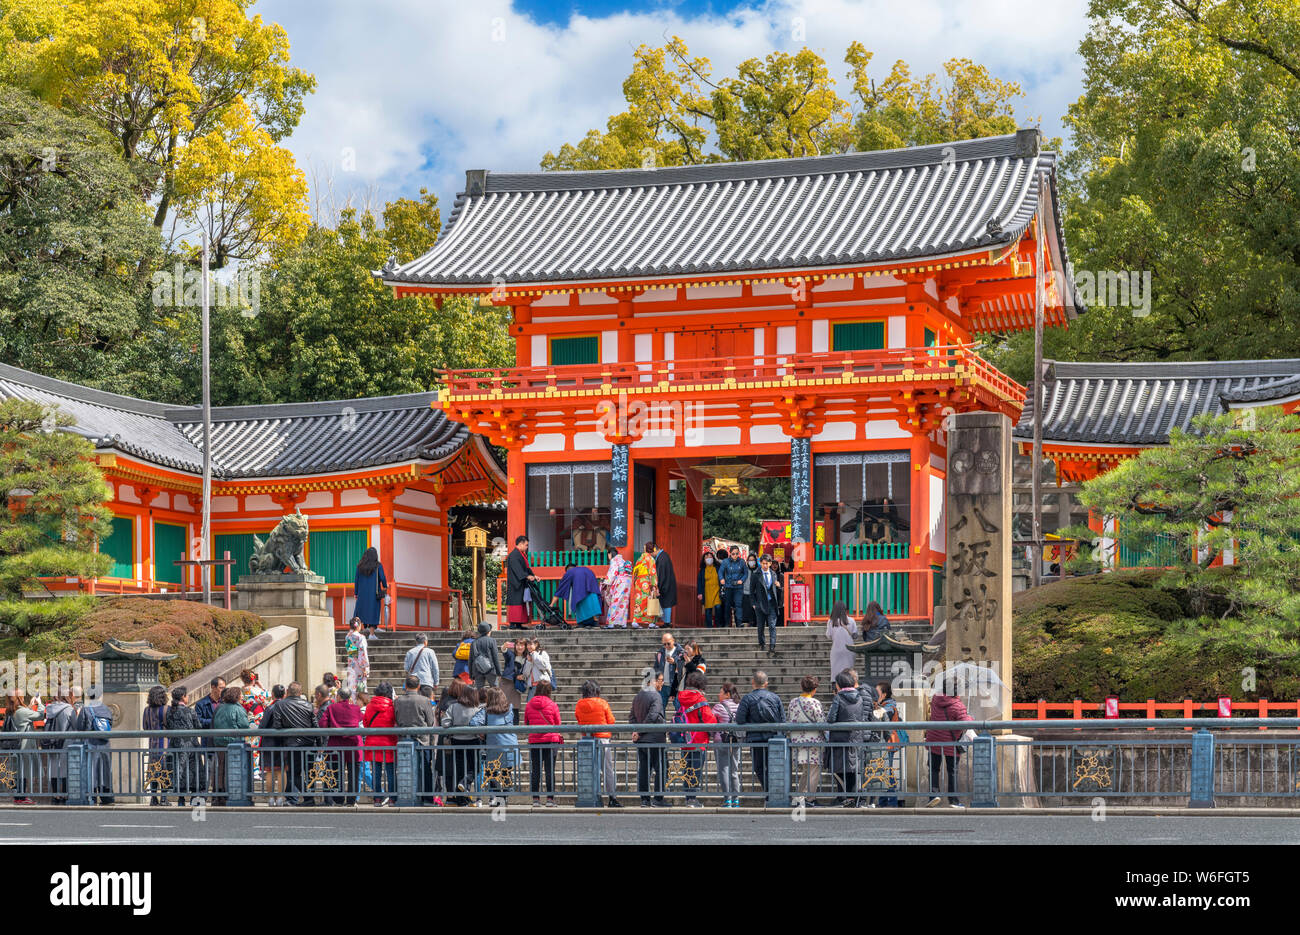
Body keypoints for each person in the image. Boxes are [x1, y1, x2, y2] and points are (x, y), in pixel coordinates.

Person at [263, 682, 318, 806]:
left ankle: (308, 798)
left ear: (287, 692)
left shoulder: (280, 705)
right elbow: (315, 725)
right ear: (300, 692)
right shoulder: (308, 705)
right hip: (309, 744)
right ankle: (309, 797)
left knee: (293, 774)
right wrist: (319, 744)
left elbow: (277, 725)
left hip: (292, 745)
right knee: (310, 773)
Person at [734, 670, 784, 802]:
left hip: (756, 739)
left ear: (752, 682)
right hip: (774, 738)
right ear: (766, 683)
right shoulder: (775, 698)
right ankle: (776, 794)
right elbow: (782, 720)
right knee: (774, 766)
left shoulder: (747, 698)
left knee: (759, 767)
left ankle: (769, 792)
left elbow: (739, 719)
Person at [925, 683, 973, 808]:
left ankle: (933, 795)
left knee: (934, 769)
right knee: (952, 771)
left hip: (934, 740)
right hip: (950, 742)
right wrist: (969, 717)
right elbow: (964, 724)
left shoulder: (935, 699)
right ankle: (953, 801)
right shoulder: (958, 706)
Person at [574, 679, 620, 807]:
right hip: (603, 738)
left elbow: (578, 719)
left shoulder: (579, 704)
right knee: (607, 770)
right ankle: (611, 797)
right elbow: (611, 721)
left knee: (590, 769)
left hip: (587, 740)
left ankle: (591, 795)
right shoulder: (602, 703)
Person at [674, 670, 716, 808]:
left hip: (684, 740)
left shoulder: (680, 697)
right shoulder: (700, 700)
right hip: (698, 741)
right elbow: (710, 721)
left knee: (686, 770)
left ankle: (688, 797)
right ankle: (692, 799)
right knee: (696, 770)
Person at [395, 674, 437, 802]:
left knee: (404, 769)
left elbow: (396, 718)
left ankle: (405, 796)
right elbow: (430, 721)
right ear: (418, 686)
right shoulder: (425, 701)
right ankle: (428, 798)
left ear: (406, 686)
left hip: (403, 739)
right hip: (422, 740)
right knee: (425, 769)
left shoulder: (398, 701)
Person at [442, 684, 486, 806]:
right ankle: (465, 784)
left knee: (460, 768)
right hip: (473, 740)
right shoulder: (477, 708)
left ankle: (461, 798)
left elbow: (445, 723)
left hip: (456, 740)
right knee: (475, 767)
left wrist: (455, 727)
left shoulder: (453, 707)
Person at [318, 687, 363, 805]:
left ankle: (339, 799)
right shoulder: (356, 708)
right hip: (354, 744)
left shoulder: (331, 708)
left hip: (336, 745)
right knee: (354, 773)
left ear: (338, 696)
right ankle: (351, 800)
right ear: (349, 698)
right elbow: (361, 721)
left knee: (336, 772)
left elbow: (322, 724)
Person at [786, 676, 826, 808]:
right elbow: (821, 722)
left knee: (805, 771)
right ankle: (809, 798)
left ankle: (798, 797)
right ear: (814, 689)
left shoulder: (793, 702)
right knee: (813, 770)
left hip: (798, 741)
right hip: (813, 741)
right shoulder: (815, 703)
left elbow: (789, 720)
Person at [630, 672, 667, 807]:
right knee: (661, 769)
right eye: (660, 680)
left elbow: (632, 716)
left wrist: (636, 731)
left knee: (644, 770)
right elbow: (653, 716)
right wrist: (639, 731)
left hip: (642, 740)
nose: (662, 683)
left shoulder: (638, 696)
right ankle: (658, 799)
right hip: (655, 738)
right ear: (653, 681)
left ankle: (645, 799)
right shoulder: (656, 696)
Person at [524, 680, 562, 806]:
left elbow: (526, 723)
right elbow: (558, 724)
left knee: (536, 770)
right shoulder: (553, 704)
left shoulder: (529, 705)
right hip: (551, 741)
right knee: (550, 771)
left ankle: (535, 799)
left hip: (535, 741)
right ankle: (550, 799)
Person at [210, 686, 249, 807]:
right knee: (232, 769)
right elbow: (244, 725)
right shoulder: (238, 709)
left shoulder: (219, 708)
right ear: (237, 696)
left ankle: (218, 795)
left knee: (219, 768)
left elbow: (213, 723)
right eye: (241, 695)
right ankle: (231, 794)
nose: (242, 697)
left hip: (219, 742)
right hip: (233, 743)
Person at [164, 687, 201, 807]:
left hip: (175, 745)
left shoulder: (170, 712)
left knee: (179, 769)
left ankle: (181, 798)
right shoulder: (190, 711)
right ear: (183, 697)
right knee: (193, 770)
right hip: (191, 745)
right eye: (187, 695)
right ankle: (194, 796)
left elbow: (168, 726)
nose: (188, 697)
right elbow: (198, 726)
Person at [4, 693, 44, 805]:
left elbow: (24, 717)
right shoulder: (22, 712)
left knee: (17, 772)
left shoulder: (10, 712)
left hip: (14, 746)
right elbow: (40, 716)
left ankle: (18, 797)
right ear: (20, 699)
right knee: (23, 772)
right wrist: (40, 704)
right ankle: (21, 797)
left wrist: (30, 706)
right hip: (24, 745)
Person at [41, 688, 79, 805]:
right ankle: (65, 795)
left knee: (54, 770)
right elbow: (76, 726)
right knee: (65, 770)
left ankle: (55, 796)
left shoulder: (49, 709)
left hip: (52, 743)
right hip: (66, 743)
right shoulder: (69, 710)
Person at [362, 682, 398, 806]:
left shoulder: (369, 706)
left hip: (372, 743)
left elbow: (366, 724)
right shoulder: (392, 707)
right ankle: (393, 799)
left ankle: (377, 798)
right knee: (391, 772)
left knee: (376, 772)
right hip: (389, 742)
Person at [482, 687, 518, 807]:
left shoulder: (487, 711)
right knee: (506, 772)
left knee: (492, 772)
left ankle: (497, 797)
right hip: (509, 744)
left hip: (494, 744)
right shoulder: (510, 708)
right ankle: (505, 797)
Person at [193, 676, 225, 801]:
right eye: (221, 687)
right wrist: (214, 721)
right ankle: (203, 796)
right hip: (209, 742)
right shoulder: (201, 704)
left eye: (224, 687)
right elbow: (198, 722)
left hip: (223, 742)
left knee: (221, 770)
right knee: (208, 770)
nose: (223, 690)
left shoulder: (225, 703)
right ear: (213, 687)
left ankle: (218, 797)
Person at [712, 682, 742, 808]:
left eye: (721, 692)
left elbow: (711, 723)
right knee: (734, 770)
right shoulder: (739, 706)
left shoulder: (718, 707)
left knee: (724, 770)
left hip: (721, 740)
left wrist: (714, 735)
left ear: (727, 694)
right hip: (736, 740)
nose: (718, 695)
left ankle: (727, 799)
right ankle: (736, 799)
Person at [875, 681, 902, 808]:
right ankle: (884, 801)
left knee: (887, 771)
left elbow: (883, 714)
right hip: (886, 742)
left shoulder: (889, 705)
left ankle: (891, 802)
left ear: (884, 694)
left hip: (888, 742)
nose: (875, 695)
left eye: (877, 692)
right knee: (885, 771)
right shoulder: (885, 704)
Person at [259, 684, 287, 805]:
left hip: (269, 743)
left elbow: (262, 726)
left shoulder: (269, 708)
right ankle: (281, 797)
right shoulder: (287, 707)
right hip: (284, 742)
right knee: (282, 771)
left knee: (269, 771)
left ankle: (271, 798)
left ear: (272, 694)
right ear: (284, 694)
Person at [240, 668, 270, 779]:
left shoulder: (241, 691)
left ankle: (249, 769)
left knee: (248, 744)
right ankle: (255, 770)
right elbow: (268, 696)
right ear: (253, 679)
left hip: (246, 718)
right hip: (257, 719)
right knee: (255, 744)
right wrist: (261, 686)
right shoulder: (256, 691)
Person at [353, 546, 389, 638]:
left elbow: (356, 580)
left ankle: (358, 633)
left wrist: (356, 593)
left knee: (361, 613)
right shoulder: (378, 566)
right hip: (374, 594)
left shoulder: (359, 566)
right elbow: (382, 577)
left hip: (362, 594)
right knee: (373, 612)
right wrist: (385, 586)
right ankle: (371, 634)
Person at [142, 685, 169, 805]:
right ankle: (164, 798)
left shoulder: (147, 710)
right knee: (165, 770)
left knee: (153, 770)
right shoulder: (166, 709)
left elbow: (145, 727)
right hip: (165, 743)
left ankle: (153, 798)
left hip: (152, 744)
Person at [554, 561, 602, 627]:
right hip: (592, 589)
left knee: (579, 603)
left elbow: (560, 590)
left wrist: (551, 604)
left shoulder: (570, 572)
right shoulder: (586, 569)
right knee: (593, 605)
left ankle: (581, 623)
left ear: (567, 570)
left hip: (579, 592)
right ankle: (595, 622)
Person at [505, 535, 538, 629]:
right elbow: (518, 569)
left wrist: (533, 576)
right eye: (526, 545)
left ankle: (519, 624)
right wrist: (527, 576)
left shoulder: (520, 554)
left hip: (520, 582)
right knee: (516, 603)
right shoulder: (514, 555)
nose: (527, 547)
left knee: (521, 603)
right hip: (515, 583)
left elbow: (527, 568)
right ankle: (513, 624)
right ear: (521, 543)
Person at [753, 553, 782, 654]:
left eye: (767, 563)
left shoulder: (773, 574)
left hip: (771, 603)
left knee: (772, 626)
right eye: (763, 563)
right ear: (760, 563)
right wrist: (754, 603)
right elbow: (751, 592)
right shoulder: (755, 574)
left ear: (770, 563)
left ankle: (772, 646)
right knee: (760, 626)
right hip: (760, 604)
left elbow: (778, 590)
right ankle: (762, 643)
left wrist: (779, 586)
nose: (765, 565)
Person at [825, 601, 859, 681]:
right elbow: (855, 635)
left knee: (836, 672)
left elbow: (828, 635)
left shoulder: (831, 622)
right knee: (848, 672)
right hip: (849, 649)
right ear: (845, 609)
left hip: (836, 650)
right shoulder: (851, 620)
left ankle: (836, 688)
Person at [630, 542, 660, 628]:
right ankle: (651, 622)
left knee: (639, 602)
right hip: (647, 582)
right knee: (650, 601)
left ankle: (636, 620)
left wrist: (635, 582)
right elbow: (653, 573)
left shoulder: (640, 559)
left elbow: (635, 572)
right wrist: (654, 585)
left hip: (639, 583)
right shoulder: (651, 559)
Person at [602, 547, 632, 629]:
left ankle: (611, 623)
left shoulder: (614, 560)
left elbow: (612, 573)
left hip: (621, 582)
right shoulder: (622, 560)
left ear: (610, 554)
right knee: (624, 602)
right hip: (628, 581)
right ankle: (623, 623)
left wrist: (608, 585)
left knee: (615, 601)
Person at [653, 631, 685, 709]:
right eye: (664, 644)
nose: (666, 646)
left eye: (668, 643)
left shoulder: (680, 652)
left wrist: (675, 662)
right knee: (660, 708)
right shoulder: (660, 653)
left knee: (679, 708)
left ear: (673, 641)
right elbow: (656, 668)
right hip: (663, 685)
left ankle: (681, 721)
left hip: (676, 685)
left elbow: (684, 666)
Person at [719, 546, 748, 628]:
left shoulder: (742, 562)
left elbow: (745, 573)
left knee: (738, 604)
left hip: (738, 587)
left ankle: (739, 622)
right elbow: (720, 572)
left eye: (737, 554)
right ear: (730, 554)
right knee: (727, 605)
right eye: (733, 554)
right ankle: (727, 623)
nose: (735, 555)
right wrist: (721, 579)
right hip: (728, 586)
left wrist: (742, 580)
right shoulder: (725, 562)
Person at [404, 632, 440, 697]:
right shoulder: (430, 652)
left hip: (413, 683)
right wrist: (436, 682)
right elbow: (435, 668)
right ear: (425, 642)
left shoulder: (410, 652)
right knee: (426, 704)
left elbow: (406, 668)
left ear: (416, 642)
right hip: (426, 681)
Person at [470, 622, 502, 688]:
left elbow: (470, 659)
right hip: (490, 669)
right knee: (494, 690)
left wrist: (471, 674)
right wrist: (499, 672)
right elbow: (495, 657)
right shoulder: (492, 640)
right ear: (488, 632)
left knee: (479, 691)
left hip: (477, 669)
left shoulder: (474, 642)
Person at [654, 541, 678, 626]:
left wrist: (658, 586)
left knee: (666, 603)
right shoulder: (663, 556)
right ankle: (666, 622)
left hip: (665, 584)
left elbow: (660, 574)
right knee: (666, 603)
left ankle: (667, 622)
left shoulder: (661, 558)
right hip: (667, 583)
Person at [697, 550, 723, 627]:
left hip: (717, 591)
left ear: (713, 558)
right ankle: (709, 627)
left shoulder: (718, 568)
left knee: (718, 607)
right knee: (708, 610)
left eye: (710, 557)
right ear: (704, 560)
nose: (709, 559)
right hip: (707, 592)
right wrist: (699, 593)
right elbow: (699, 583)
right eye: (706, 557)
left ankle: (718, 625)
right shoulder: (702, 571)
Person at [500, 639, 526, 718]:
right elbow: (504, 651)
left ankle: (515, 728)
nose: (520, 647)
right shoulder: (511, 654)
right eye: (518, 645)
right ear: (515, 646)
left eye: (522, 645)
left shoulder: (527, 657)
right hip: (506, 683)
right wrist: (504, 646)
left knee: (515, 708)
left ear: (525, 646)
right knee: (503, 706)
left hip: (516, 685)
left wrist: (523, 677)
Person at [344, 618, 370, 695]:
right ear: (359, 626)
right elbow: (362, 652)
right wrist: (364, 667)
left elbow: (353, 652)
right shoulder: (361, 637)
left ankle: (352, 704)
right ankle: (360, 704)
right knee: (360, 687)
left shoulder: (348, 637)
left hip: (351, 664)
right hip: (359, 666)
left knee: (352, 686)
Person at [740, 552, 760, 625]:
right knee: (747, 611)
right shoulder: (744, 570)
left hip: (756, 594)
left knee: (755, 612)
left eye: (753, 560)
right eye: (750, 560)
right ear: (747, 561)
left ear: (755, 561)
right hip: (746, 593)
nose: (751, 562)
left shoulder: (759, 570)